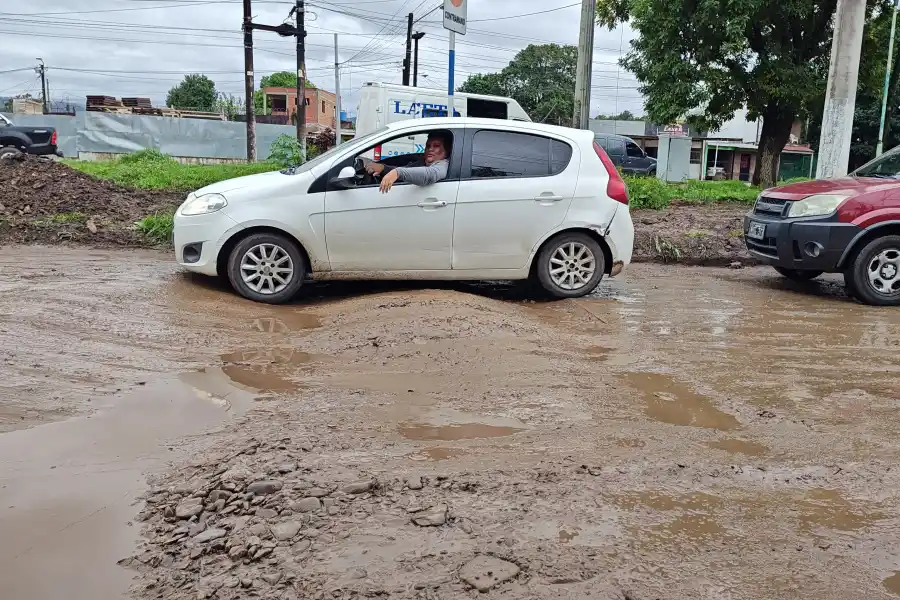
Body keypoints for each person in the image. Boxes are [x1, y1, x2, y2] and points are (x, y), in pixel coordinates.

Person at [364, 131, 451, 193]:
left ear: (446, 150)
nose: (430, 149)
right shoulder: (422, 162)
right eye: (428, 146)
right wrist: (383, 168)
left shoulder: (443, 165)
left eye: (436, 146)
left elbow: (429, 175)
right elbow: (408, 169)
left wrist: (397, 173)